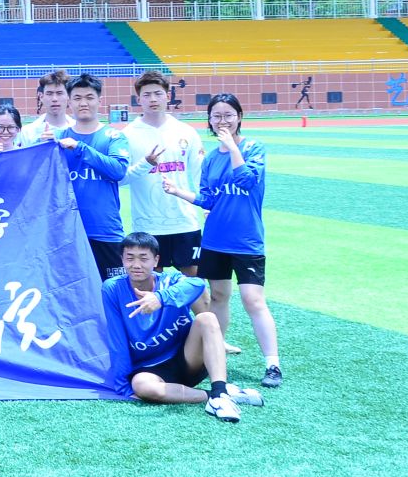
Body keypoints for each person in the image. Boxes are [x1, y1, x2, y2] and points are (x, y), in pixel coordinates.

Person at [162, 93, 281, 388]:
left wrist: (233, 148)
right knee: (218, 297)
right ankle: (215, 355)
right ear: (209, 120)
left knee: (253, 300)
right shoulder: (212, 159)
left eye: (228, 115)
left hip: (247, 241)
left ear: (239, 117)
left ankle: (272, 363)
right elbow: (208, 199)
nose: (222, 121)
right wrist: (178, 192)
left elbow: (246, 181)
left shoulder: (254, 148)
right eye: (216, 116)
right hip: (215, 240)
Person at [103, 232, 263, 423]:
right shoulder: (112, 288)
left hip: (188, 359)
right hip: (149, 369)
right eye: (130, 258)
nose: (136, 265)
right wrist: (123, 386)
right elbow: (117, 339)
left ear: (156, 260)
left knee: (207, 318)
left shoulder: (170, 280)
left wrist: (160, 298)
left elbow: (196, 284)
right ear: (122, 259)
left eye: (143, 258)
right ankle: (218, 395)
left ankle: (220, 392)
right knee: (143, 387)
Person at [122, 69, 205, 275]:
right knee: (149, 285)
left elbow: (200, 174)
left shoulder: (186, 131)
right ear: (138, 99)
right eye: (147, 94)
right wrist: (145, 164)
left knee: (195, 283)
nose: (153, 99)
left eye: (158, 93)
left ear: (167, 96)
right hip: (147, 225)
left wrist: (207, 206)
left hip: (185, 221)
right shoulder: (127, 135)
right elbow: (121, 178)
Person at [56, 73, 132, 278]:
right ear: (69, 102)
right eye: (77, 98)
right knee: (73, 291)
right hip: (69, 231)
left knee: (112, 290)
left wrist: (80, 148)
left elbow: (118, 170)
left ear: (100, 100)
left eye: (89, 97)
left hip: (105, 229)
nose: (83, 103)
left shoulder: (114, 136)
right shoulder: (58, 139)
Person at [20, 69, 75, 146]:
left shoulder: (78, 128)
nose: (54, 99)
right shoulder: (28, 132)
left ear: (68, 96)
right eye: (49, 93)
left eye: (59, 93)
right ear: (41, 96)